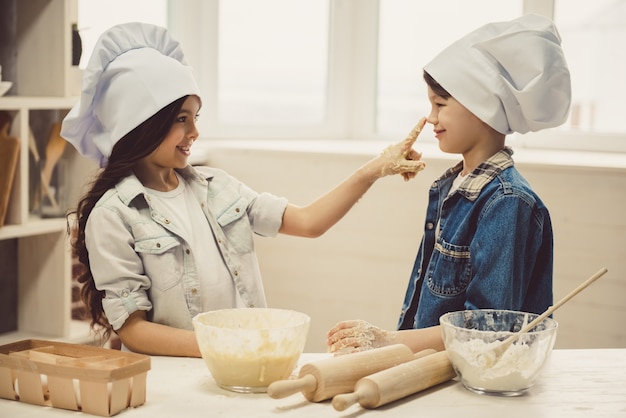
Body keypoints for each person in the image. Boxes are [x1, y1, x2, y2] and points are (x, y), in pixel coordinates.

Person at [62, 22, 426, 357]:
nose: (195, 132)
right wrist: (224, 345)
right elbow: (135, 332)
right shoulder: (113, 215)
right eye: (181, 119)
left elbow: (309, 222)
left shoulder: (218, 187)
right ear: (142, 125)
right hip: (171, 382)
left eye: (196, 117)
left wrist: (375, 168)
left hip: (239, 367)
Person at [327, 14, 571, 354]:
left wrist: (389, 341)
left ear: (482, 107)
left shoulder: (507, 202)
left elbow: (489, 332)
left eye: (440, 104)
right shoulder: (454, 188)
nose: (430, 118)